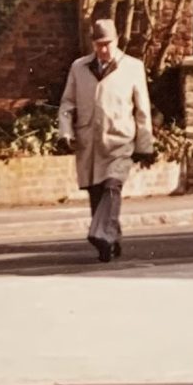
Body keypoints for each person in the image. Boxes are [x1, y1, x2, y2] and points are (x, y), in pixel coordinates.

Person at [56, 17, 156, 263]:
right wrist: (65, 132)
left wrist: (145, 145)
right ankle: (110, 240)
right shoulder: (79, 67)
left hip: (120, 140)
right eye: (98, 44)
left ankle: (100, 233)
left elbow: (142, 109)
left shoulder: (133, 67)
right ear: (92, 43)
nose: (103, 49)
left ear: (117, 40)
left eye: (107, 43)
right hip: (89, 142)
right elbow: (68, 104)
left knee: (112, 187)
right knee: (97, 193)